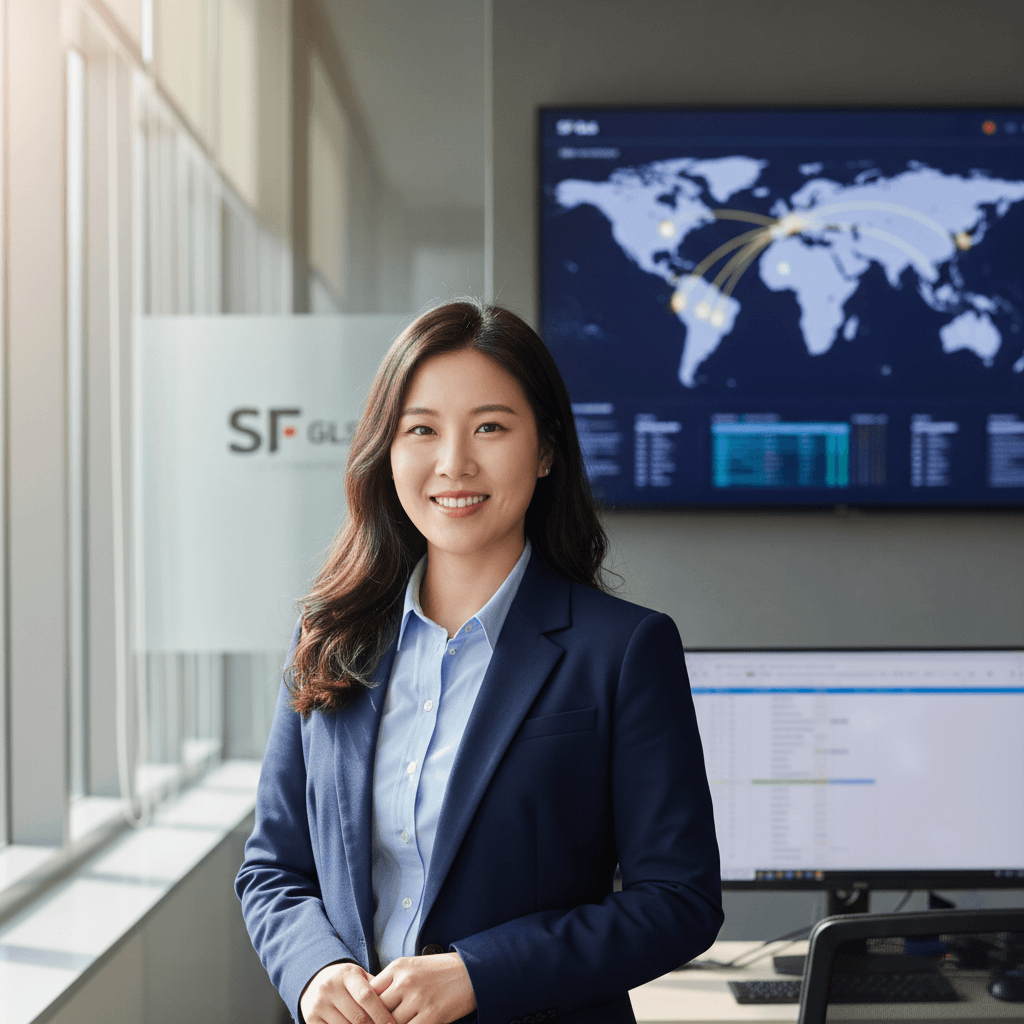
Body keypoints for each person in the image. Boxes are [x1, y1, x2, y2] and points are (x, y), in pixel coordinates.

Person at [235, 300, 723, 1024]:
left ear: (547, 449)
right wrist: (316, 970)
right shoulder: (330, 636)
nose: (453, 463)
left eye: (490, 427)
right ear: (386, 451)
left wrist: (479, 973)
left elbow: (679, 900)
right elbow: (274, 870)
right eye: (421, 430)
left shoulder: (623, 650)